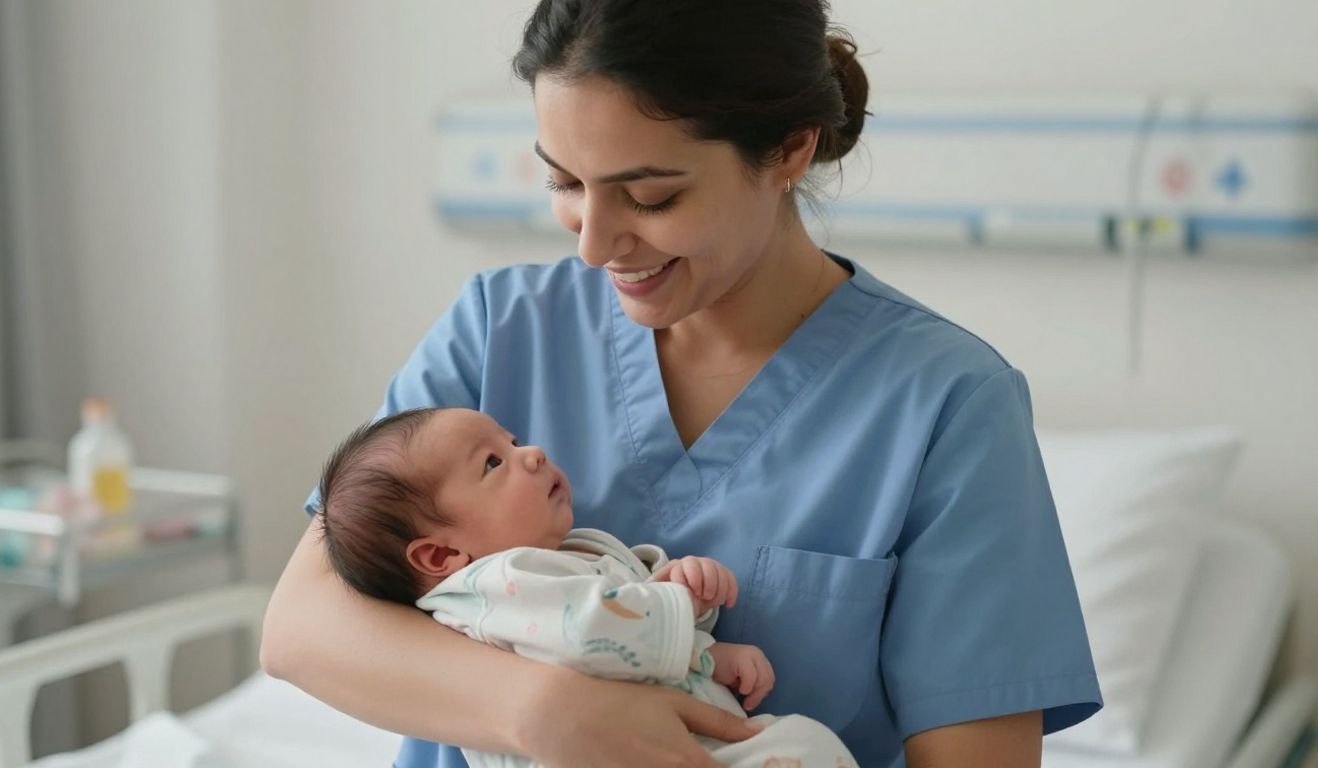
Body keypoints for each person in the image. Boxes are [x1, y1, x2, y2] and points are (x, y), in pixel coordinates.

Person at [261, 1, 1104, 766]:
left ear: (789, 149)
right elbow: (302, 627)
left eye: (650, 196)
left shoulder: (947, 404)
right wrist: (545, 713)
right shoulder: (501, 327)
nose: (593, 244)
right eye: (563, 182)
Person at [315, 406, 861, 768]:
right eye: (493, 463)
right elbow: (593, 631)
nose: (532, 452)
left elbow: (619, 642)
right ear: (441, 555)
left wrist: (703, 646)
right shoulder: (491, 586)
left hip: (680, 744)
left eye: (513, 440)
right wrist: (679, 602)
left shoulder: (562, 560)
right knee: (802, 746)